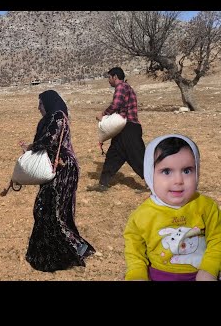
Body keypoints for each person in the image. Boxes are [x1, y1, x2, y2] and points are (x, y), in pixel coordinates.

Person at [124, 134, 221, 281]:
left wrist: (209, 270)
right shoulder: (141, 215)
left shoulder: (206, 207)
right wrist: (137, 274)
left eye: (187, 171)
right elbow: (134, 252)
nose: (178, 181)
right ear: (150, 174)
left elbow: (217, 240)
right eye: (167, 171)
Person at [24, 90, 95, 272]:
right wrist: (32, 148)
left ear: (48, 102)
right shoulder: (52, 118)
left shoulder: (56, 117)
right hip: (55, 168)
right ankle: (69, 249)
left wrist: (33, 148)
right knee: (47, 209)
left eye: (40, 103)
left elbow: (50, 140)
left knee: (54, 210)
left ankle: (72, 250)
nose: (38, 107)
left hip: (63, 170)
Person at [87, 67, 146, 192]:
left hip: (129, 128)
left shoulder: (121, 87)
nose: (108, 80)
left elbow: (116, 105)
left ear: (115, 77)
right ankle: (103, 184)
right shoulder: (127, 87)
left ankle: (155, 185)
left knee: (138, 157)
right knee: (113, 155)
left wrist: (103, 114)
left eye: (109, 77)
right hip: (124, 129)